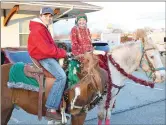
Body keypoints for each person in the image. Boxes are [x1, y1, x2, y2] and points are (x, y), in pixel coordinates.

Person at [28, 7, 67, 120]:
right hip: (43, 57)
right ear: (40, 16)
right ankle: (51, 108)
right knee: (61, 76)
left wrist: (59, 51)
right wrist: (62, 53)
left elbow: (50, 46)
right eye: (45, 15)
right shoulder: (38, 29)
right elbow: (46, 49)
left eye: (50, 16)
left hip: (45, 55)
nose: (48, 18)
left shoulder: (43, 28)